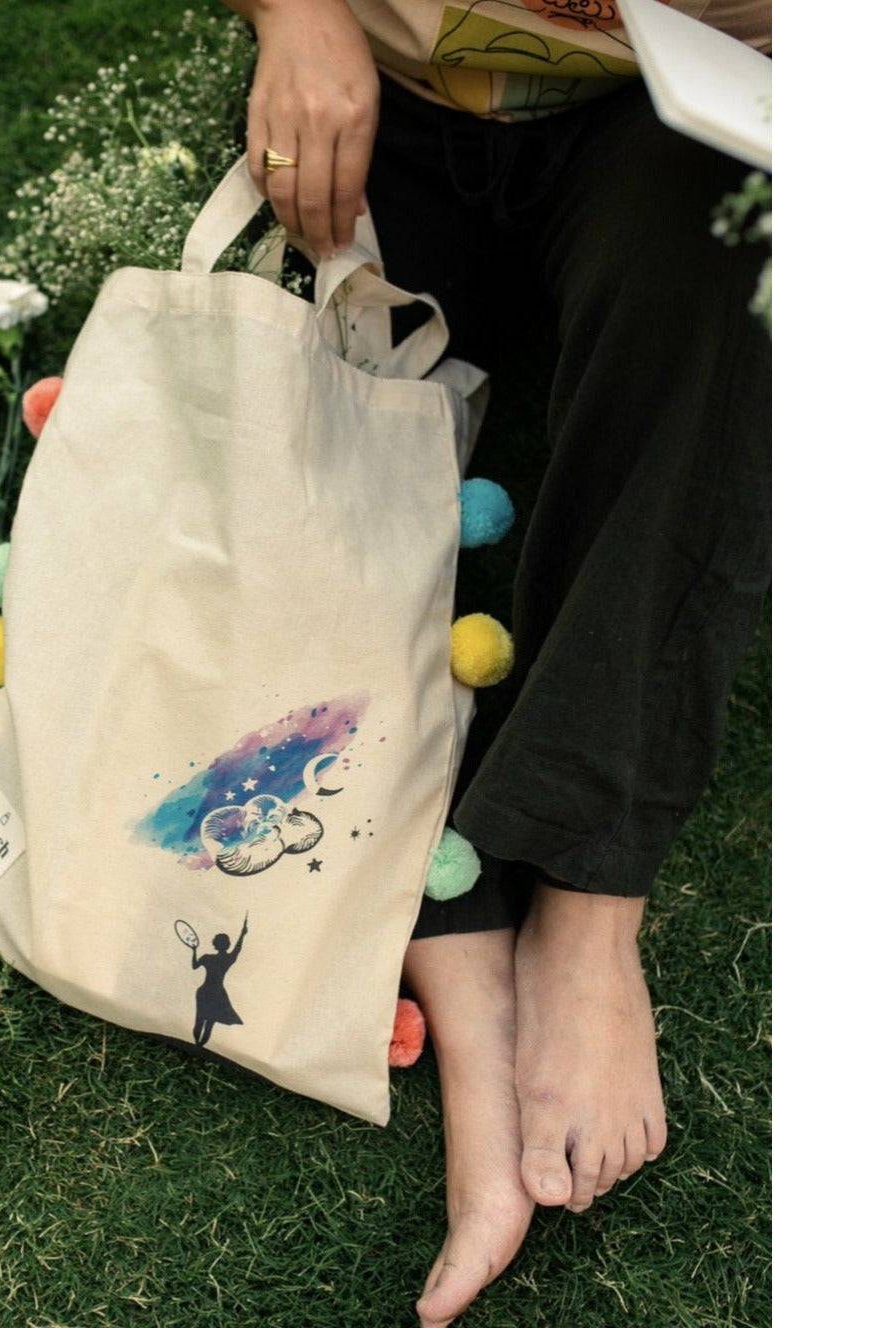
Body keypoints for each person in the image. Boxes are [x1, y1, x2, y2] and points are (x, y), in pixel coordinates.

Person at [218, 3, 771, 1324]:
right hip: (383, 99)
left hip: (666, 122)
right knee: (264, 462)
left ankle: (585, 911)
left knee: (754, 287)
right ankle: (467, 982)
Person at [192, 916, 249, 1047]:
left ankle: (196, 1044)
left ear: (215, 944)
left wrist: (194, 951)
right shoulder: (228, 959)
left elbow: (194, 966)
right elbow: (238, 948)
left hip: (204, 991)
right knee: (210, 1021)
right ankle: (200, 1045)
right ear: (227, 944)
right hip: (217, 993)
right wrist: (243, 934)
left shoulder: (207, 957)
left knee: (199, 1018)